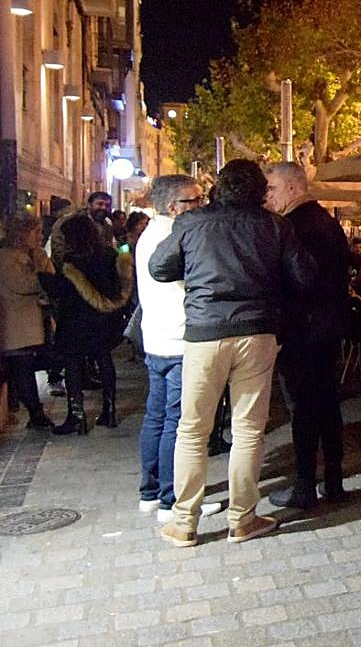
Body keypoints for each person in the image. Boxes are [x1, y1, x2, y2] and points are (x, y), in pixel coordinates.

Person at [150, 159, 316, 547]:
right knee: (248, 429)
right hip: (256, 332)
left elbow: (160, 268)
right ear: (259, 189)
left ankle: (184, 522)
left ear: (219, 187)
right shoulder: (275, 225)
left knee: (192, 429)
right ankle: (243, 519)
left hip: (205, 333)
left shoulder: (192, 222)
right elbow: (305, 276)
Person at [265, 161, 353, 510]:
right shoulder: (327, 222)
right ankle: (333, 480)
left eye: (272, 188)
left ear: (292, 187)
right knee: (327, 405)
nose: (267, 196)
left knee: (302, 408)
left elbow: (297, 282)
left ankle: (305, 483)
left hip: (303, 330)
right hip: (327, 327)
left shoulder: (293, 226)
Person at [135, 175, 222, 523]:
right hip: (178, 339)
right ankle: (173, 499)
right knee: (178, 421)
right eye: (194, 200)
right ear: (173, 206)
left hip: (156, 337)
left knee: (157, 417)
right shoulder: (176, 236)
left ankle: (151, 492)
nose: (201, 206)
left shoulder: (149, 234)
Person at [40, 213, 134, 433]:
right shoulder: (109, 255)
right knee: (104, 359)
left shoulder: (72, 261)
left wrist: (43, 277)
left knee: (72, 364)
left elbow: (60, 290)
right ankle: (109, 410)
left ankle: (77, 416)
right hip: (104, 319)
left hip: (75, 320)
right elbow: (118, 284)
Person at [0, 212, 55, 430]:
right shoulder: (7, 258)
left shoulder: (34, 254)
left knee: (25, 368)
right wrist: (40, 273)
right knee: (21, 369)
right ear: (22, 233)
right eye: (36, 232)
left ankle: (32, 412)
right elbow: (24, 284)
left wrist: (40, 259)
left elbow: (50, 276)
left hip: (33, 322)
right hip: (16, 324)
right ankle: (35, 413)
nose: (40, 236)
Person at [48, 190, 115, 265]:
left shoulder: (107, 226)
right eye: (100, 204)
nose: (104, 208)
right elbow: (59, 250)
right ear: (89, 205)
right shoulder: (71, 221)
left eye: (107, 205)